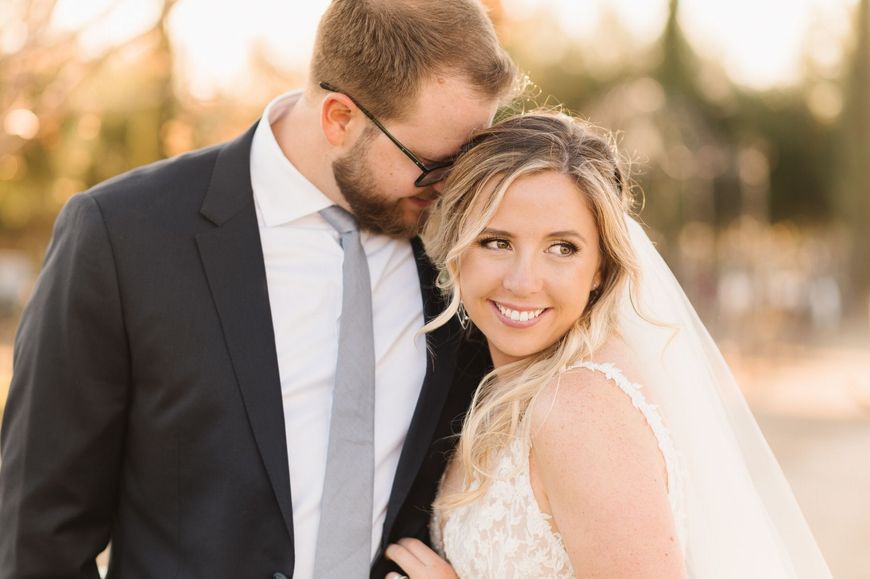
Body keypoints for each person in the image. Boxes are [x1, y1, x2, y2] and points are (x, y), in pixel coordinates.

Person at [0, 1, 518, 578]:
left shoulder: (475, 250)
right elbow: (39, 530)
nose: (452, 189)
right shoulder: (122, 235)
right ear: (340, 118)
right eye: (432, 164)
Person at [383, 113, 833, 578]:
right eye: (496, 242)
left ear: (600, 267)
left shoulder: (579, 406)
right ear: (458, 248)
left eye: (562, 248)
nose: (522, 281)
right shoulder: (504, 384)